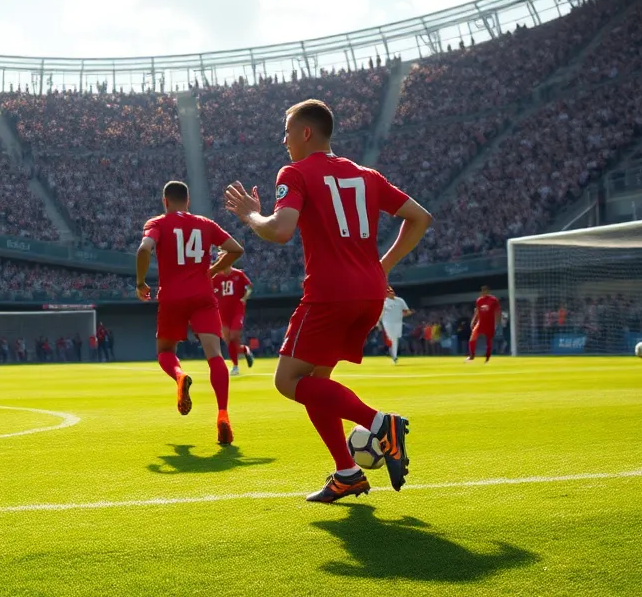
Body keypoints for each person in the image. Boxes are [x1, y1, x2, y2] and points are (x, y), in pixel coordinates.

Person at [225, 99, 432, 503]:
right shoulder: (367, 175)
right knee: (316, 383)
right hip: (369, 293)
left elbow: (281, 230)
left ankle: (381, 424)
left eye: (287, 132)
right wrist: (382, 267)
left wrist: (251, 216)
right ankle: (348, 473)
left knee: (287, 381)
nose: (283, 141)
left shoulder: (296, 172)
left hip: (328, 294)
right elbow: (420, 217)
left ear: (305, 133)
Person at [137, 180, 244, 446]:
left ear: (165, 201)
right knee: (215, 356)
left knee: (165, 351)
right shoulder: (205, 224)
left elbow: (143, 249)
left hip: (173, 297)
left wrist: (140, 282)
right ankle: (223, 415)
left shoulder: (158, 223)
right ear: (188, 201)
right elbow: (236, 249)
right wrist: (213, 270)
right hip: (203, 296)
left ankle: (179, 376)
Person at [211, 266, 255, 376]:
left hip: (237, 310)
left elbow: (249, 286)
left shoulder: (238, 274)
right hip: (222, 312)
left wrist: (244, 298)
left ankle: (235, 366)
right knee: (229, 341)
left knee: (234, 336)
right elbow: (210, 290)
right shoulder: (216, 276)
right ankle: (244, 351)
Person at [378, 286, 413, 364]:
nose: (390, 293)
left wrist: (403, 314)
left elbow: (407, 311)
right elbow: (380, 313)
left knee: (395, 339)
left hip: (398, 322)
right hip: (387, 322)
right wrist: (378, 323)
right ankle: (394, 356)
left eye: (391, 292)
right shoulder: (384, 302)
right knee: (392, 338)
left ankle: (391, 352)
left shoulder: (400, 300)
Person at [467, 285, 501, 363]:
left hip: (490, 323)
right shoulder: (479, 300)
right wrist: (473, 320)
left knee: (489, 340)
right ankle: (472, 356)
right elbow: (477, 311)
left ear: (488, 291)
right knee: (472, 337)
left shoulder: (493, 300)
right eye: (482, 291)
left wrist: (497, 323)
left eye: (485, 291)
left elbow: (498, 311)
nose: (483, 292)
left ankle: (487, 357)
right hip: (480, 322)